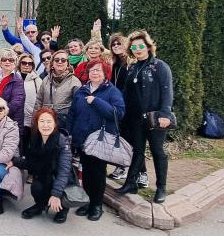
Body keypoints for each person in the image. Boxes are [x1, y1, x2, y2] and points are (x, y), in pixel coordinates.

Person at [115, 30, 174, 204]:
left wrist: (166, 114)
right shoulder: (133, 67)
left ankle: (161, 188)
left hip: (155, 118)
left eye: (141, 46)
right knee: (137, 151)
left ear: (148, 47)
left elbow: (167, 91)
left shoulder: (159, 66)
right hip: (136, 119)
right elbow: (127, 93)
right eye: (134, 47)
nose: (138, 49)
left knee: (157, 151)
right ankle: (131, 183)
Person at [68, 58, 125, 220]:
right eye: (92, 70)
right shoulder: (82, 90)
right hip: (83, 139)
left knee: (98, 173)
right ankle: (86, 202)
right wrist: (70, 133)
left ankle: (96, 205)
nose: (94, 73)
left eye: (98, 70)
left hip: (100, 141)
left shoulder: (111, 91)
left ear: (105, 73)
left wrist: (97, 101)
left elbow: (118, 113)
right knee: (85, 171)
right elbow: (73, 113)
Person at [21, 107, 72, 223]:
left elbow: (64, 172)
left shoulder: (62, 141)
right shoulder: (34, 139)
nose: (45, 125)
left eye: (49, 122)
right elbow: (30, 163)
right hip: (45, 175)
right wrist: (13, 162)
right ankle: (40, 206)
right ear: (37, 124)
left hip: (62, 179)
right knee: (36, 186)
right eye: (42, 121)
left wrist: (56, 194)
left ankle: (63, 209)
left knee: (60, 188)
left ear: (55, 124)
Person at [107, 32, 133, 181]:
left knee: (127, 138)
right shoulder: (115, 63)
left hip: (128, 106)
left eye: (119, 43)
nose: (116, 46)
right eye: (113, 44)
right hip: (117, 105)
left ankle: (126, 168)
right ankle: (121, 166)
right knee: (120, 137)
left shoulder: (131, 63)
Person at [34, 50, 82, 123]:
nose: (60, 62)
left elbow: (78, 107)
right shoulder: (45, 80)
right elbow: (38, 102)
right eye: (56, 60)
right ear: (52, 63)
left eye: (63, 60)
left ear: (67, 63)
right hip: (46, 123)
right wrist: (35, 123)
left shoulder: (75, 82)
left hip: (64, 124)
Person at [19, 53, 43, 140]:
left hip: (30, 120)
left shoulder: (37, 80)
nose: (26, 65)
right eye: (24, 63)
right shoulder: (14, 78)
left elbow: (41, 99)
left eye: (30, 63)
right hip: (15, 119)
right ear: (19, 64)